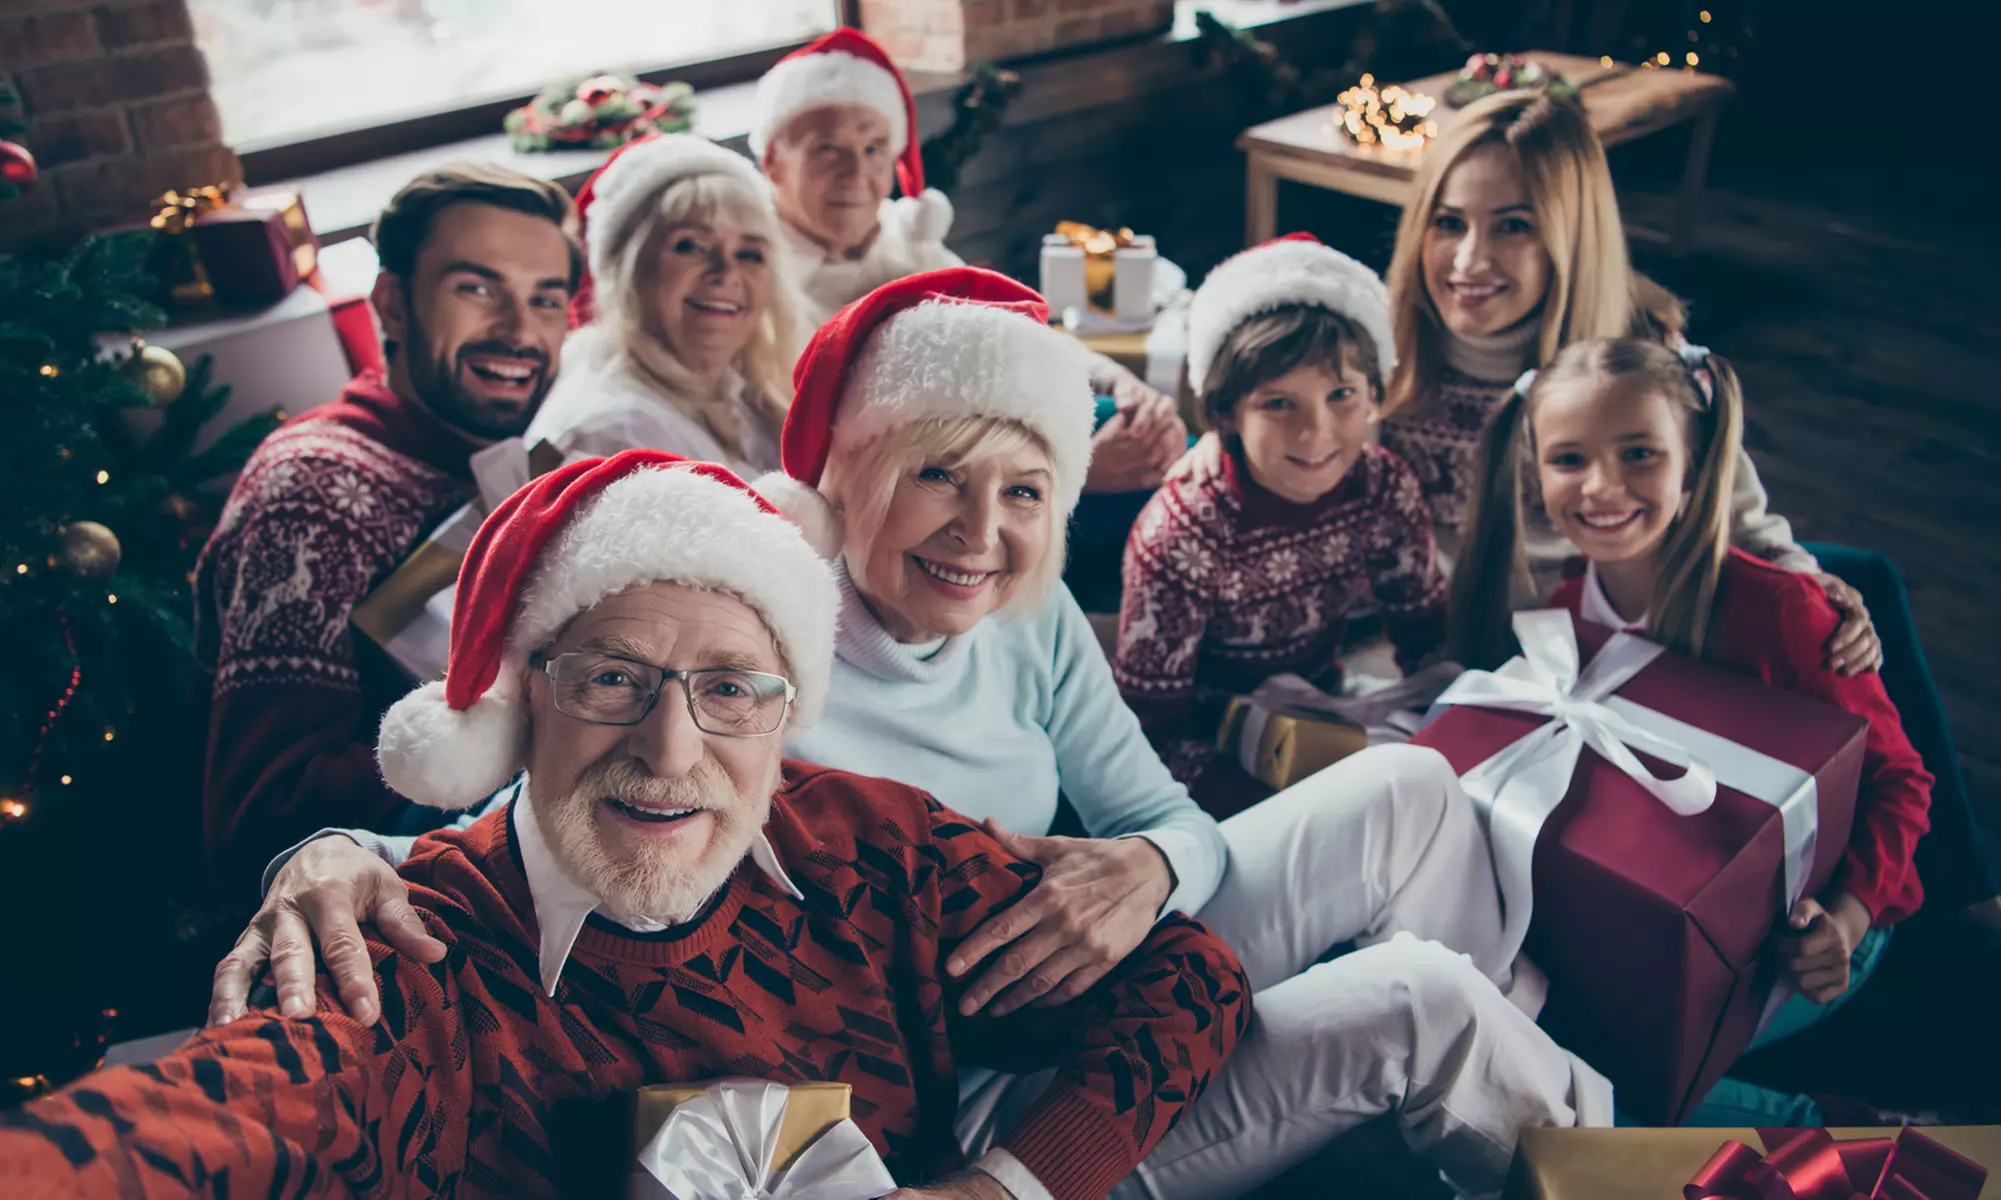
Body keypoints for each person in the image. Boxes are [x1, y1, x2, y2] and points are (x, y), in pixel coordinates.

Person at [216, 270, 1612, 1200]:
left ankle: (1503, 1132)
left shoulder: (1031, 608)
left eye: (1023, 489)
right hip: (961, 1074)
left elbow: (1158, 813)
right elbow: (553, 779)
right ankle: (1565, 1132)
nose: (980, 531)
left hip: (1089, 961)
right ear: (843, 482)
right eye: (936, 474)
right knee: (1416, 998)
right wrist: (331, 850)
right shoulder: (745, 632)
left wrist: (1146, 872)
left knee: (1410, 787)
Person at [0, 451, 1253, 1199]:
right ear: (522, 700)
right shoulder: (419, 955)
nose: (670, 750)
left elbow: (1188, 977)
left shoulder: (867, 840)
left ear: (783, 713)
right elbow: (214, 1123)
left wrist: (1007, 1186)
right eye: (611, 679)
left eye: (728, 689)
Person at [1395, 89, 1995, 922]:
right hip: (1543, 630)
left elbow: (1731, 503)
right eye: (1448, 221)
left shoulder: (1637, 344)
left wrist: (1804, 581)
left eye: (1513, 225)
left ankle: (1946, 882)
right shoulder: (1391, 363)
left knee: (1859, 588)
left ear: (1571, 238)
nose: (1468, 258)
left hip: (1654, 583)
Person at [1456, 338, 1931, 1126]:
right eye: (1568, 458)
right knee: (1529, 1036)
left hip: (1818, 928)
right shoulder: (1565, 614)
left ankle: (1837, 1140)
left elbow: (1900, 783)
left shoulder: (1784, 614)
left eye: (1638, 453)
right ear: (1536, 472)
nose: (1602, 486)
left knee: (1606, 1078)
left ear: (1695, 460)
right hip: (1674, 916)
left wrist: (1845, 919)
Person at [194, 163, 579, 886]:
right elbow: (262, 817)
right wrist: (548, 733)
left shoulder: (527, 452)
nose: (518, 330)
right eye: (477, 288)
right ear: (392, 303)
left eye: (546, 301)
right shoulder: (312, 496)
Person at [749, 27, 1187, 501]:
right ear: (773, 161)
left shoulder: (908, 240)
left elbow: (1012, 327)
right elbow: (827, 464)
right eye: (827, 149)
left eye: (874, 148)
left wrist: (1121, 382)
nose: (856, 174)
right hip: (948, 500)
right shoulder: (756, 281)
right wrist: (1061, 476)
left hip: (1012, 436)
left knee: (1164, 440)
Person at [1115, 234, 1446, 794]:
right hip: (1205, 754)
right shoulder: (1182, 534)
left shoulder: (1385, 488)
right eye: (1278, 403)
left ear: (1374, 396)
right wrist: (1269, 805)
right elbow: (1148, 734)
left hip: (1322, 711)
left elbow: (1428, 644)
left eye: (1341, 394)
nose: (1315, 432)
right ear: (1226, 412)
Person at [527, 134, 798, 475]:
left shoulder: (740, 389)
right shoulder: (614, 435)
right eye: (691, 246)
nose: (727, 273)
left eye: (749, 254)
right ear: (624, 265)